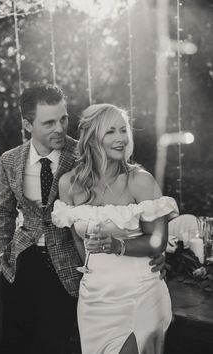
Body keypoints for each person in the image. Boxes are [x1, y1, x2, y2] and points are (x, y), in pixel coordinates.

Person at [0, 85, 166, 354]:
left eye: (63, 119)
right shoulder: (11, 160)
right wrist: (5, 253)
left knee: (56, 345)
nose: (60, 128)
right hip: (23, 262)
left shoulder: (84, 153)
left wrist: (149, 253)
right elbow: (4, 210)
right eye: (49, 122)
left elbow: (143, 223)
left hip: (69, 269)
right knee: (13, 342)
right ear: (28, 124)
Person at [52, 103, 179, 354]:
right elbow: (78, 241)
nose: (121, 138)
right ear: (91, 138)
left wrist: (117, 246)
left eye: (123, 130)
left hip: (139, 292)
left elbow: (158, 241)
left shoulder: (139, 180)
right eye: (110, 132)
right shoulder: (69, 184)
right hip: (95, 298)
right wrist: (93, 274)